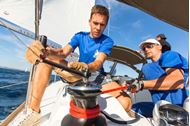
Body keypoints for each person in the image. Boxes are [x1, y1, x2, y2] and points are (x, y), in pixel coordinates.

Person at [21, 5, 132, 125]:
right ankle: (34, 111)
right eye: (95, 23)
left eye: (102, 24)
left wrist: (86, 66)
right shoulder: (79, 36)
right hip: (78, 73)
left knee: (126, 102)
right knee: (46, 60)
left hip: (98, 77)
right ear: (89, 22)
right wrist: (46, 51)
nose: (98, 28)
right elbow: (63, 52)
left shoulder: (107, 41)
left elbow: (98, 63)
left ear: (105, 25)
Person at [130, 38, 188, 117]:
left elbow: (177, 81)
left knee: (147, 67)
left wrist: (142, 84)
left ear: (159, 46)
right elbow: (148, 82)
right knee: (132, 108)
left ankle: (169, 114)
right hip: (158, 107)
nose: (146, 49)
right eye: (144, 48)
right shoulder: (151, 67)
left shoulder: (169, 55)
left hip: (178, 108)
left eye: (149, 46)